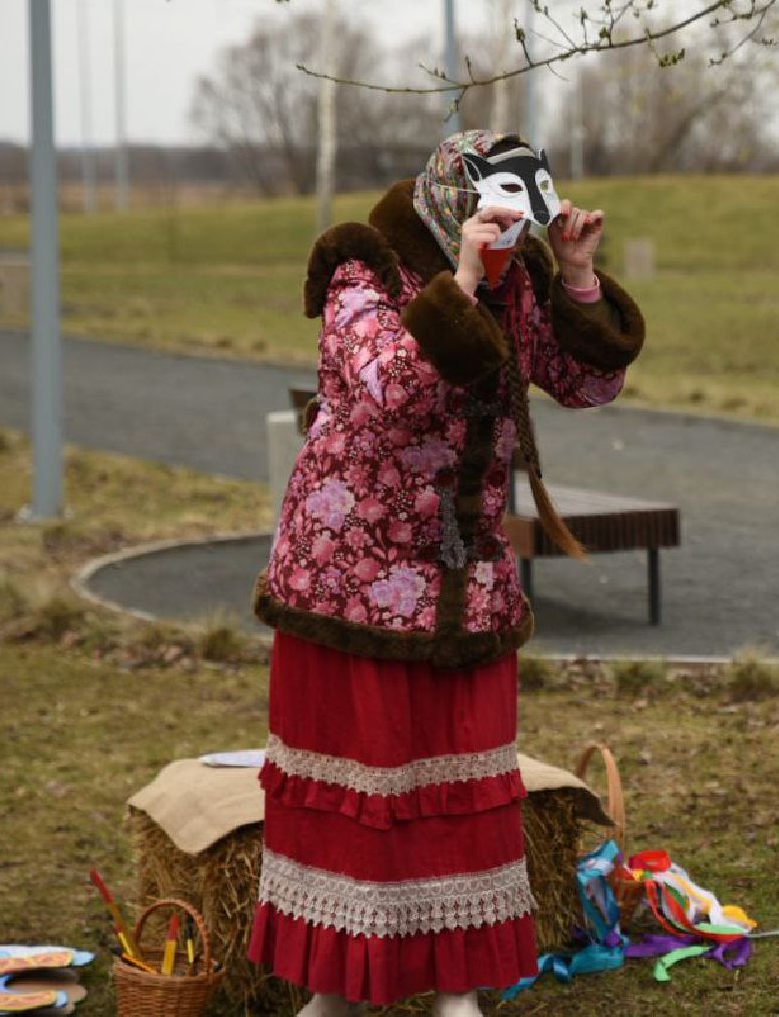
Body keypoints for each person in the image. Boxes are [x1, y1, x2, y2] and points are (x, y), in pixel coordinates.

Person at [248, 130, 646, 1017]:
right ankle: (335, 989)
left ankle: (453, 987)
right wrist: (461, 283)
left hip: (462, 573)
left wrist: (575, 273)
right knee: (352, 785)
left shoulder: (523, 281)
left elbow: (584, 388)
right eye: (489, 203)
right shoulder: (363, 271)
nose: (507, 222)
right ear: (451, 200)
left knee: (458, 784)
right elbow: (389, 392)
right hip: (349, 577)